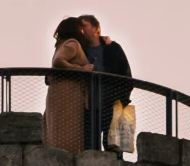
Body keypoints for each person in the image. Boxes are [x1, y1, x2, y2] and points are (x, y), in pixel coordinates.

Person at [77, 15, 133, 150]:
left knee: (114, 147)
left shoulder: (113, 48)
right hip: (88, 106)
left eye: (84, 26)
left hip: (112, 103)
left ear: (96, 28)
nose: (81, 30)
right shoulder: (79, 48)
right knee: (89, 147)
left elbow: (126, 76)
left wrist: (122, 100)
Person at [43, 18, 91, 154]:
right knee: (69, 128)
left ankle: (60, 156)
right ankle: (67, 158)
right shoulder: (72, 43)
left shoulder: (63, 44)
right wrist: (81, 69)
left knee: (59, 129)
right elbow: (59, 61)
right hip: (68, 94)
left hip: (62, 93)